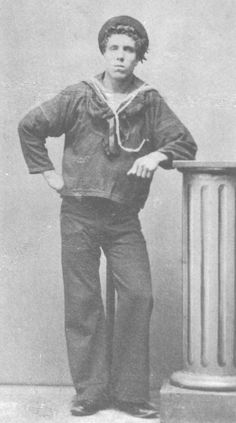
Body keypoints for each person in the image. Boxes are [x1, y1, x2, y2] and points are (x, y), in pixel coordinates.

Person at [18, 15, 197, 418]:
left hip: (122, 219)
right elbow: (30, 126)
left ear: (139, 57)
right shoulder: (80, 96)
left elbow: (184, 142)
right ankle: (91, 392)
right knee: (83, 301)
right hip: (78, 213)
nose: (120, 56)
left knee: (138, 294)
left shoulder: (148, 100)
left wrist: (156, 154)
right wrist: (48, 172)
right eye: (114, 48)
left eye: (129, 50)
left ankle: (131, 393)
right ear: (103, 51)